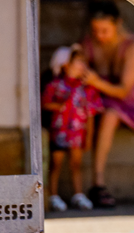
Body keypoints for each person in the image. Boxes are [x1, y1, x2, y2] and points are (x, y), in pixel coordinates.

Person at [78, 0, 134, 208]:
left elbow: (124, 90)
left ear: (118, 24)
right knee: (109, 116)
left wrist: (95, 81)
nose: (99, 35)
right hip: (110, 101)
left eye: (104, 30)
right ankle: (98, 185)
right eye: (95, 30)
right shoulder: (89, 43)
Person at [42, 46, 102, 212]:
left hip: (77, 134)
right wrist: (57, 106)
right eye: (78, 62)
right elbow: (44, 103)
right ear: (65, 65)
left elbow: (90, 114)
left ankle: (78, 194)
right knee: (56, 164)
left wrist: (89, 137)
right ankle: (53, 195)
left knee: (76, 164)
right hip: (59, 132)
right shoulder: (55, 85)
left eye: (84, 62)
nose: (82, 65)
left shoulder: (87, 89)